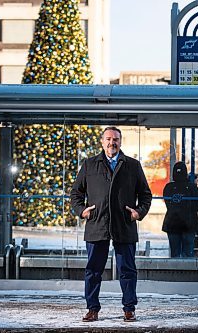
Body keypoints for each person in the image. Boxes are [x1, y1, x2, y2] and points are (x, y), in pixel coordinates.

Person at [70, 126, 152, 323]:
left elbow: (146, 194)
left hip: (124, 224)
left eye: (115, 139)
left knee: (127, 270)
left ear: (120, 142)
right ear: (102, 141)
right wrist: (81, 210)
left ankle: (129, 309)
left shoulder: (132, 165)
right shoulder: (90, 165)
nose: (111, 143)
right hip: (97, 224)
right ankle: (92, 308)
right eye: (108, 139)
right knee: (93, 271)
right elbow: (76, 193)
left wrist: (138, 212)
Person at [162, 161, 198, 257]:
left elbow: (168, 205)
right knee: (188, 254)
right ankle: (188, 272)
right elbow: (196, 206)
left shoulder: (169, 188)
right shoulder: (192, 188)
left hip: (173, 223)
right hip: (189, 224)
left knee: (175, 254)